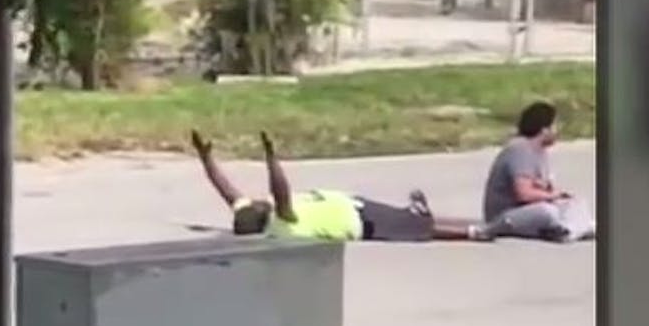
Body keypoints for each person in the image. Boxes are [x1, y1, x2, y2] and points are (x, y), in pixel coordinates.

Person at [191, 129, 494, 242]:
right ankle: (472, 231)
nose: (254, 199)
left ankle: (477, 225)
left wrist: (206, 157)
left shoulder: (251, 215)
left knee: (413, 218)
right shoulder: (281, 224)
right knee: (418, 227)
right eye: (256, 205)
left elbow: (226, 190)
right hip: (360, 222)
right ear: (262, 217)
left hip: (354, 204)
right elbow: (281, 189)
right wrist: (271, 157)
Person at [481, 101, 595, 242]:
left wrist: (559, 197)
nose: (557, 131)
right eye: (554, 126)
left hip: (529, 210)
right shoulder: (520, 149)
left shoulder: (541, 152)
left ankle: (567, 229)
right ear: (544, 129)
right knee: (547, 212)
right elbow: (523, 194)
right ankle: (571, 230)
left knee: (577, 203)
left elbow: (544, 189)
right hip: (507, 215)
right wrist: (553, 195)